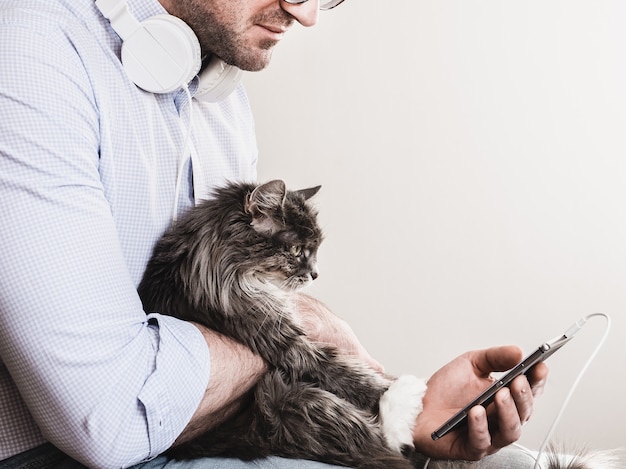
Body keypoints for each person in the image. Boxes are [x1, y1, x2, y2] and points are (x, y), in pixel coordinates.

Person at [0, 0, 548, 468]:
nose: (306, 15)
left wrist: (399, 409)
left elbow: (234, 306)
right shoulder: (31, 55)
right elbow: (111, 417)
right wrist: (302, 326)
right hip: (65, 457)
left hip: (216, 424)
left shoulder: (219, 92)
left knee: (511, 460)